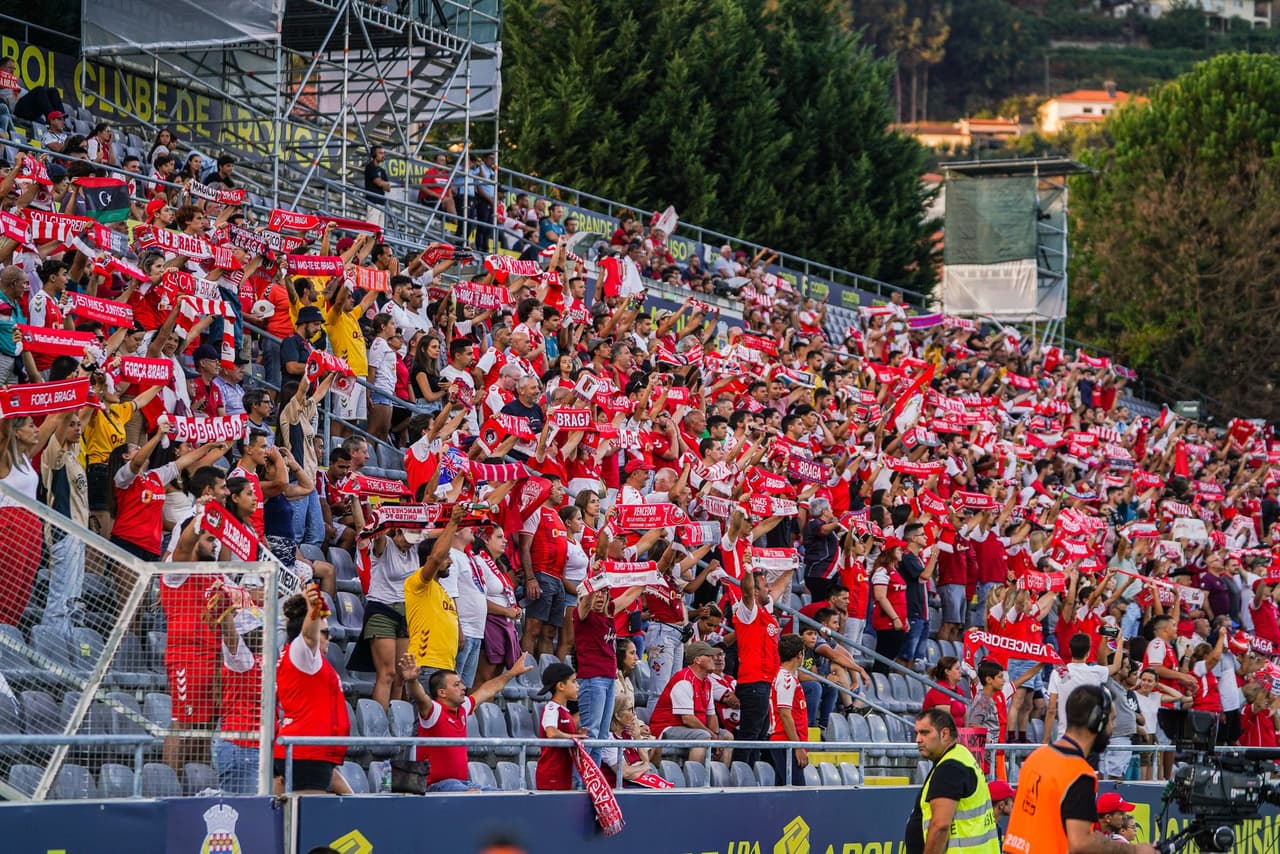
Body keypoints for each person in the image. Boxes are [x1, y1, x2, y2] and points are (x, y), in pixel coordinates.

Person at [1003, 684, 1159, 854]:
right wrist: (1134, 851)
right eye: (1112, 720)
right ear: (1096, 722)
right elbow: (1081, 842)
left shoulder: (1037, 757)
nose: (1113, 728)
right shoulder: (1078, 773)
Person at [397, 652, 534, 791]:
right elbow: (420, 697)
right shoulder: (434, 711)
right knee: (472, 793)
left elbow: (488, 689)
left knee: (500, 795)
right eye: (457, 685)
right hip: (435, 786)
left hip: (461, 783)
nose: (463, 687)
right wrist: (412, 681)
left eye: (461, 683)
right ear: (442, 692)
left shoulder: (462, 708)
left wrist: (512, 673)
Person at [272, 586, 353, 795]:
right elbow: (309, 636)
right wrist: (313, 607)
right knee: (306, 822)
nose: (330, 637)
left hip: (310, 751)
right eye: (325, 632)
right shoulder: (303, 653)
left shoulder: (303, 658)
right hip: (306, 752)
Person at [905, 708, 999, 854]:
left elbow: (940, 826)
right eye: (917, 733)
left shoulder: (950, 768)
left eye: (925, 732)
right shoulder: (961, 756)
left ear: (944, 734)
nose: (918, 739)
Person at [767, 633, 809, 786]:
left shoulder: (785, 677)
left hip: (786, 742)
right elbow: (785, 714)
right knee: (797, 792)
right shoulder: (786, 680)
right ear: (799, 654)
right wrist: (797, 746)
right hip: (786, 742)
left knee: (783, 791)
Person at [536, 662, 585, 790]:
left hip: (563, 775)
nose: (577, 686)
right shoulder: (551, 708)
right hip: (551, 775)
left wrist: (578, 734)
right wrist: (573, 736)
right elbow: (551, 733)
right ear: (561, 686)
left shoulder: (564, 712)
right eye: (574, 682)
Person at [923, 657, 968, 724]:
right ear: (947, 672)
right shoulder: (939, 690)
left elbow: (965, 716)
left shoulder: (959, 690)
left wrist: (968, 732)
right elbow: (945, 722)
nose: (961, 671)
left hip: (957, 732)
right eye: (957, 669)